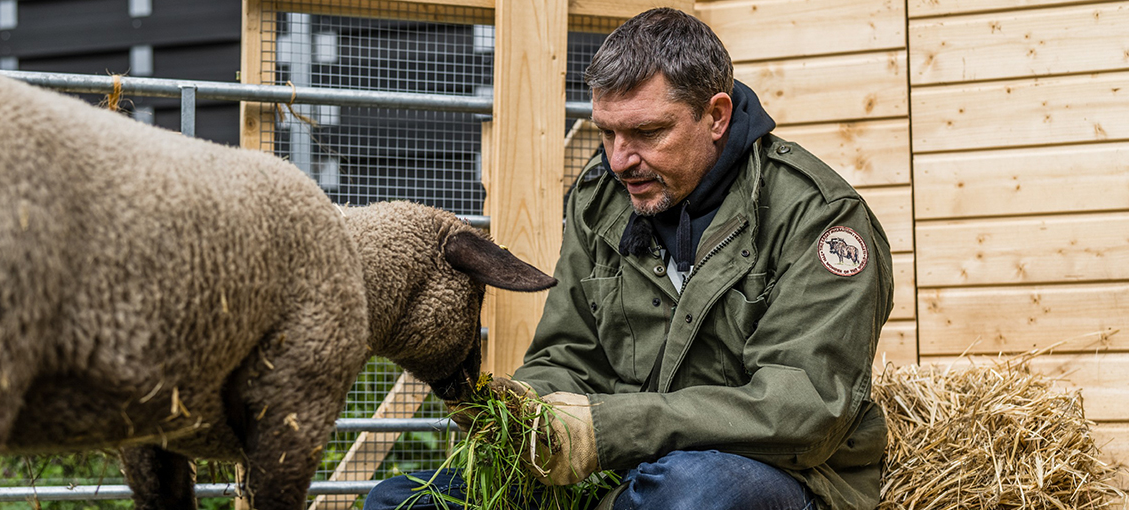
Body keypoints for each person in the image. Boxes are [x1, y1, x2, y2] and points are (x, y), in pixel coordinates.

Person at [364, 7, 893, 510]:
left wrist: (608, 429)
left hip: (770, 473)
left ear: (716, 115)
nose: (619, 160)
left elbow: (803, 409)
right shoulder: (601, 199)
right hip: (623, 466)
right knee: (398, 500)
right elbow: (569, 353)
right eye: (606, 132)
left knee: (689, 494)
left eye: (646, 132)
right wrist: (529, 409)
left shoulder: (820, 218)